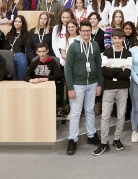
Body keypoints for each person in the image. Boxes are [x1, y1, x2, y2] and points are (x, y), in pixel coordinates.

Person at [63, 19, 103, 155]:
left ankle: (91, 135)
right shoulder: (74, 47)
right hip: (77, 84)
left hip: (92, 83)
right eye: (84, 31)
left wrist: (100, 84)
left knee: (90, 110)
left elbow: (98, 65)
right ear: (79, 31)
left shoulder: (95, 45)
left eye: (88, 30)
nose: (86, 33)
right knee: (75, 113)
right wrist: (70, 87)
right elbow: (67, 68)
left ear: (91, 31)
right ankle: (72, 139)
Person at [25, 42, 65, 110]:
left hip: (49, 89)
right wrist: (31, 80)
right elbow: (26, 75)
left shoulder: (53, 62)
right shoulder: (35, 62)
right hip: (36, 88)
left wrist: (46, 79)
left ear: (47, 51)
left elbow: (59, 75)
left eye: (43, 51)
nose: (41, 54)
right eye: (39, 52)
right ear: (37, 52)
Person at [6, 15, 29, 80]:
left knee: (22, 75)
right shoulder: (9, 34)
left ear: (23, 23)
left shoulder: (26, 34)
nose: (17, 23)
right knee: (11, 76)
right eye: (15, 21)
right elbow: (6, 46)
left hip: (20, 55)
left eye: (19, 22)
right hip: (10, 55)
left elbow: (27, 48)